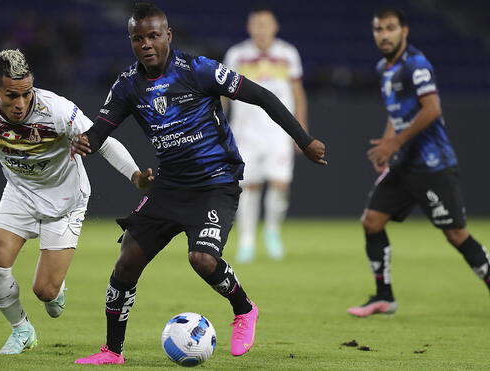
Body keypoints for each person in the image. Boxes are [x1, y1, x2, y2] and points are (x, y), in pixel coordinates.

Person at [72, 3, 326, 365]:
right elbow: (99, 132)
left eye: (154, 36)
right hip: (168, 187)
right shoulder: (128, 84)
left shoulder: (198, 70)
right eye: (138, 38)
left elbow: (264, 96)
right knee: (126, 262)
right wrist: (85, 142)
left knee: (203, 259)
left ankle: (244, 310)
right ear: (131, 42)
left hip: (215, 184)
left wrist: (303, 140)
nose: (146, 44)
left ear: (168, 35)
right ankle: (112, 351)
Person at [0, 49, 152, 354]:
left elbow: (103, 142)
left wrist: (135, 177)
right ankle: (21, 329)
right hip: (19, 193)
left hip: (65, 200)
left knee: (45, 292)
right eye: (11, 95)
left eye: (26, 93)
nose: (20, 103)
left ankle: (55, 289)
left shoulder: (57, 110)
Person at [347, 8, 490, 318]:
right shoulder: (384, 68)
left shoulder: (416, 65)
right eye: (378, 29)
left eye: (390, 28)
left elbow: (432, 109)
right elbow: (394, 112)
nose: (383, 35)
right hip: (403, 166)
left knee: (456, 234)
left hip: (433, 166)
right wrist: (387, 148)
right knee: (371, 221)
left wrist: (394, 143)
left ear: (404, 31)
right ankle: (384, 296)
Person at [223, 7, 308, 262]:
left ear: (275, 27)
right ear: (249, 28)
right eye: (256, 25)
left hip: (279, 132)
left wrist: (300, 132)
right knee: (248, 186)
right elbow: (224, 94)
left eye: (265, 24)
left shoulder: (288, 54)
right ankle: (247, 241)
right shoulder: (237, 55)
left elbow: (298, 93)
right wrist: (219, 125)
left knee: (280, 184)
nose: (261, 29)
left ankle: (272, 231)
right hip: (245, 132)